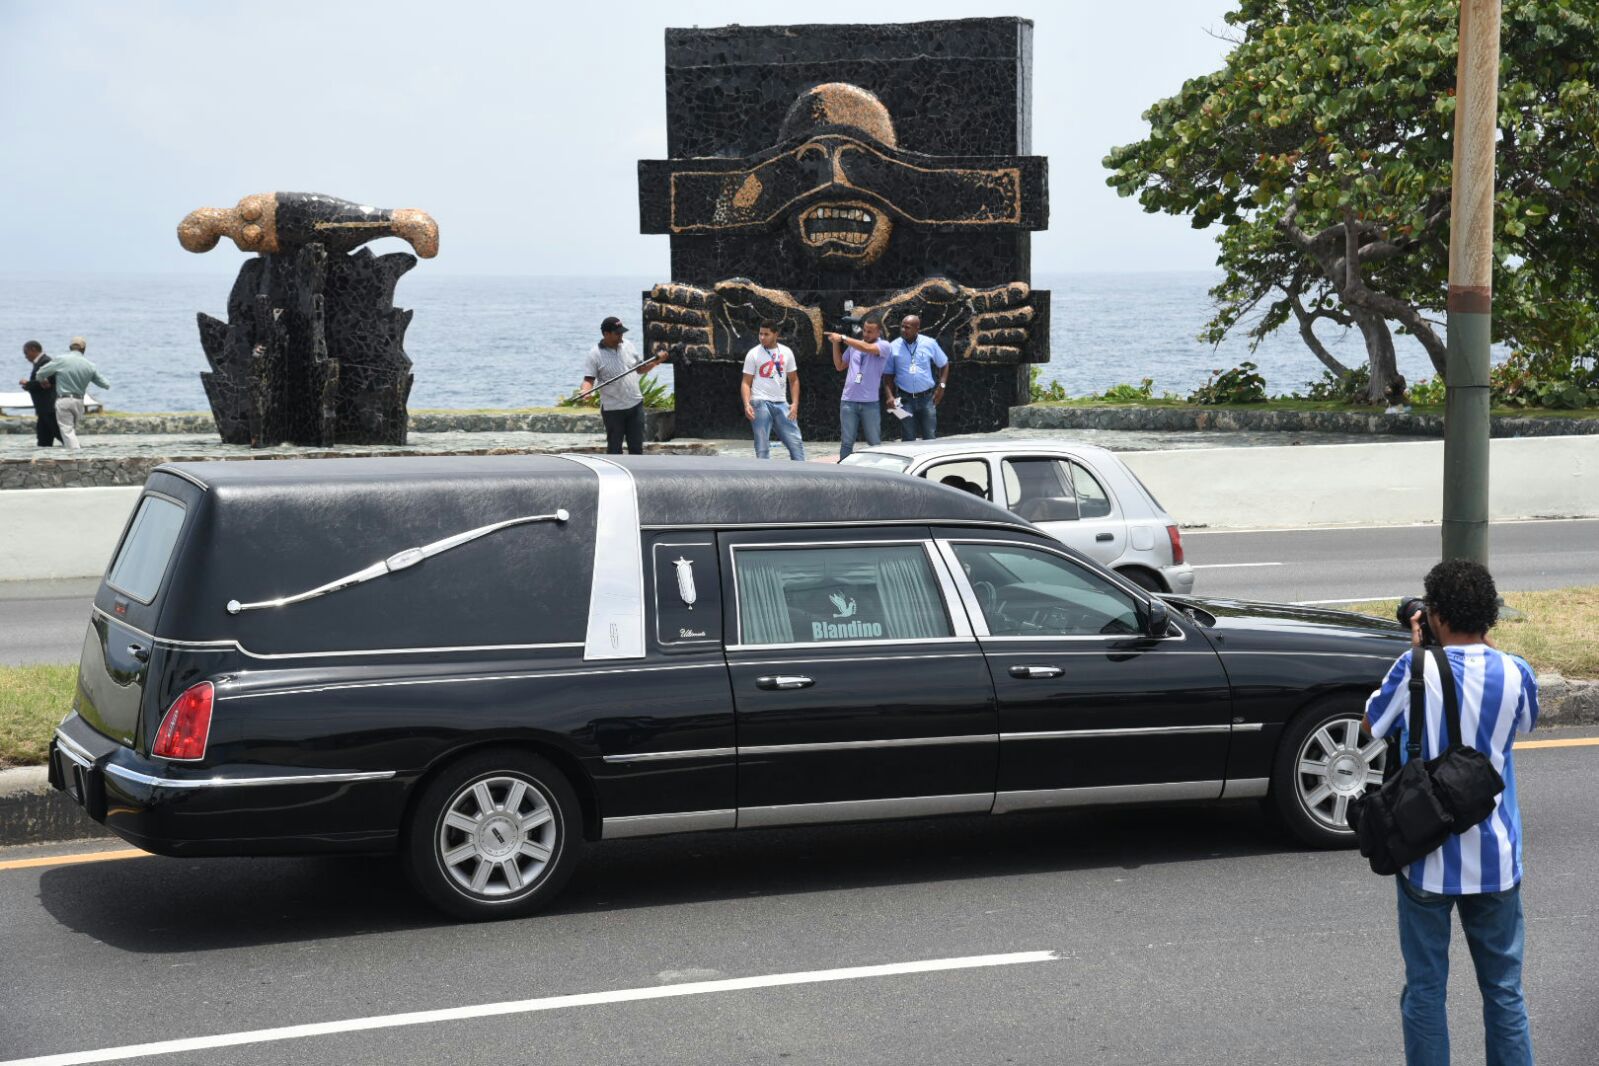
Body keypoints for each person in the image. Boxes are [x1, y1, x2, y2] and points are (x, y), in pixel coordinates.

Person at [1364, 559, 1537, 1066]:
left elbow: (1372, 725)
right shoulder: (1516, 672)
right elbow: (1524, 724)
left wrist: (1418, 656)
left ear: (1433, 615)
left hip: (1426, 856)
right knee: (1504, 992)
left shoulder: (1413, 669)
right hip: (1496, 859)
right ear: (1491, 614)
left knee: (1425, 991)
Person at [579, 316, 667, 455]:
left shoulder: (628, 345)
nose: (621, 336)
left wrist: (656, 362)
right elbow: (589, 379)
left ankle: (637, 475)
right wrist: (586, 392)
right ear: (606, 334)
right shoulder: (595, 354)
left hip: (635, 404)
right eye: (617, 333)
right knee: (614, 449)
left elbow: (640, 368)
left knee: (637, 448)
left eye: (622, 332)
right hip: (613, 409)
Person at [826, 318, 894, 460]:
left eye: (870, 332)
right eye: (864, 330)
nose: (866, 334)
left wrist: (843, 338)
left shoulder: (884, 346)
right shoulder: (853, 347)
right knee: (846, 443)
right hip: (848, 401)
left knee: (874, 442)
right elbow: (839, 366)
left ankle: (878, 473)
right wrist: (835, 344)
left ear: (879, 332)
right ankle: (844, 474)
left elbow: (867, 348)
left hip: (870, 403)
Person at [741, 321, 804, 460]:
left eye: (766, 334)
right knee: (762, 446)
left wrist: (795, 404)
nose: (762, 337)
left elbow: (794, 379)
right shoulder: (753, 353)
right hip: (760, 402)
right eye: (760, 334)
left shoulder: (786, 352)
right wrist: (747, 404)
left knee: (795, 443)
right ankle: (764, 478)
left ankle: (802, 474)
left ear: (776, 334)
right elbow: (746, 382)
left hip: (781, 402)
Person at [31, 336, 108, 450]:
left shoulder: (62, 360)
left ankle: (76, 457)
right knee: (70, 431)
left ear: (70, 347)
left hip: (64, 399)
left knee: (67, 431)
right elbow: (105, 384)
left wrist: (43, 381)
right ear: (84, 349)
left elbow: (40, 373)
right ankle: (72, 454)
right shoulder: (90, 365)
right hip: (79, 402)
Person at [887, 315, 948, 441]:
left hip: (927, 399)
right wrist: (889, 396)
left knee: (929, 436)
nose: (903, 330)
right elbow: (888, 375)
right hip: (905, 400)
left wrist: (942, 386)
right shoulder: (893, 347)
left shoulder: (929, 343)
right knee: (908, 438)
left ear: (917, 329)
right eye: (902, 327)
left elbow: (944, 364)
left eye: (907, 327)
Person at [18, 341, 63, 447]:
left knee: (60, 434)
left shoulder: (46, 362)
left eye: (26, 353)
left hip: (49, 407)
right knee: (43, 438)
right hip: (43, 408)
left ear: (33, 349)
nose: (26, 357)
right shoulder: (41, 362)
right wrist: (29, 386)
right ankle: (43, 460)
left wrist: (28, 384)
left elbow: (47, 382)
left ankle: (76, 452)